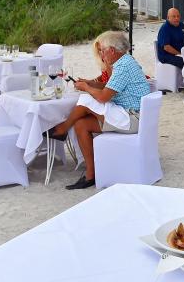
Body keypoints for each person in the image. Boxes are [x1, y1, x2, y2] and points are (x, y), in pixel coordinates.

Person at [46, 31, 151, 190]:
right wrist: (90, 83)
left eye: (102, 50)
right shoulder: (125, 62)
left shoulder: (123, 66)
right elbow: (110, 88)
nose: (101, 54)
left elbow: (103, 97)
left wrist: (86, 87)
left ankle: (62, 129)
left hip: (132, 119)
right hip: (128, 114)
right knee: (81, 124)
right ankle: (91, 174)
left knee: (86, 100)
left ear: (112, 50)